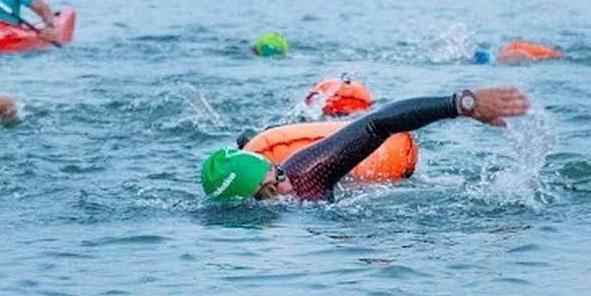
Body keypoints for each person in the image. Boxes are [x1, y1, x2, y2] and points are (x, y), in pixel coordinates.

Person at [200, 86, 529, 202]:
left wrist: (461, 104)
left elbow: (376, 124)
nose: (285, 189)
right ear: (247, 204)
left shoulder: (304, 174)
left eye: (278, 175)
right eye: (270, 192)